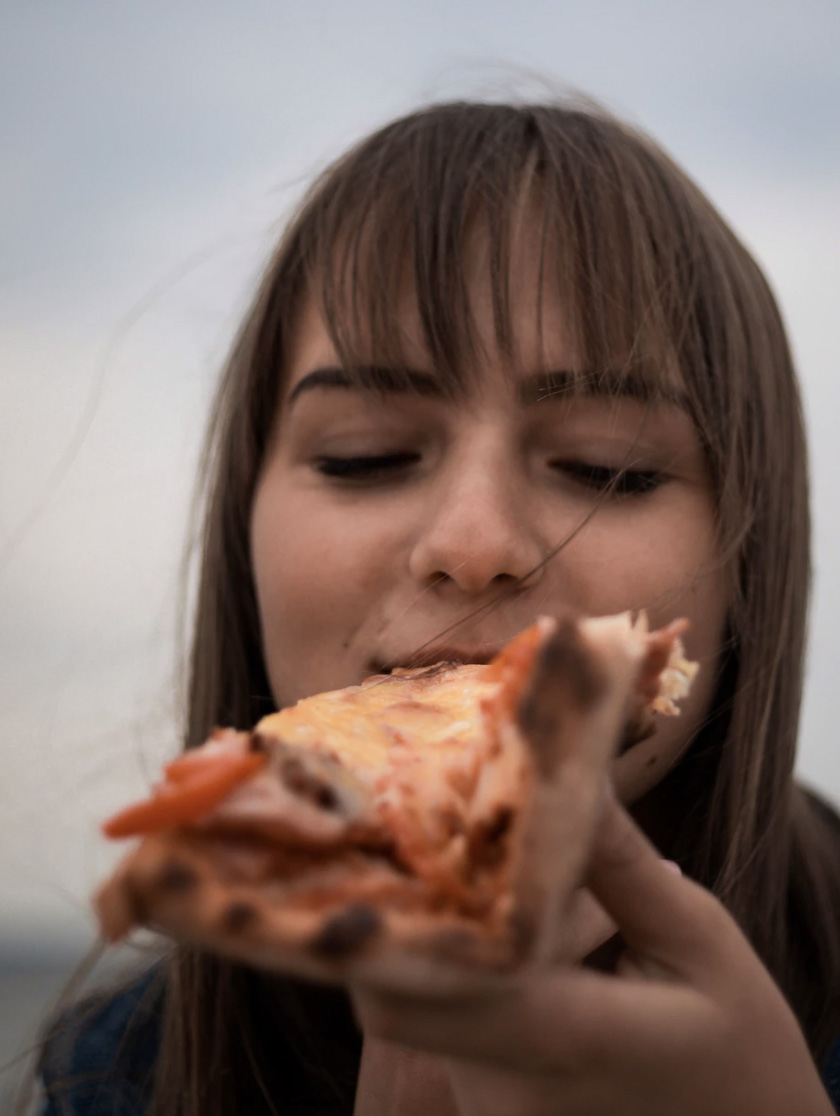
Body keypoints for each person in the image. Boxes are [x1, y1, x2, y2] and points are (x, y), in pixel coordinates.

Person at [34, 98, 840, 1115]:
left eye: (608, 467)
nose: (472, 544)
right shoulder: (113, 1071)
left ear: (749, 564)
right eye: (363, 456)